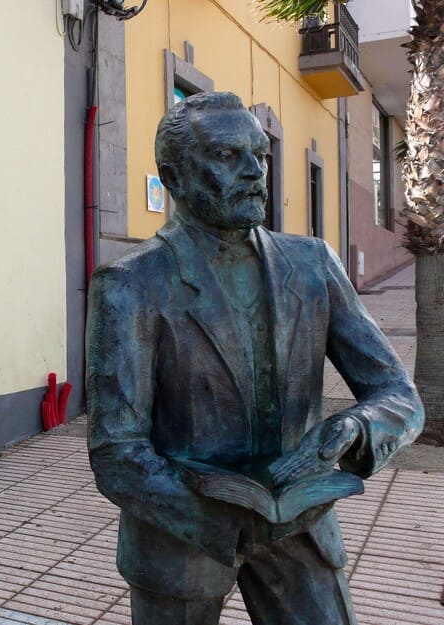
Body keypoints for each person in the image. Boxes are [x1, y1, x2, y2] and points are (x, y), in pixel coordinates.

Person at [85, 92, 424, 625]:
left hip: (302, 529)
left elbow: (399, 396)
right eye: (226, 156)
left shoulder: (313, 264)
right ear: (172, 176)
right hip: (183, 533)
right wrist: (226, 522)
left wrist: (356, 428)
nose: (253, 172)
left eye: (260, 154)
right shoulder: (132, 284)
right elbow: (115, 450)